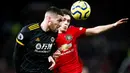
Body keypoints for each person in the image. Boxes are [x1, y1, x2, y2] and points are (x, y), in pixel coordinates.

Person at [52, 9, 128, 73]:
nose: (66, 23)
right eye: (64, 20)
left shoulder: (73, 30)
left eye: (68, 21)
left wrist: (114, 25)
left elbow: (94, 30)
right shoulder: (48, 36)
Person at [13, 6, 63, 73]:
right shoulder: (28, 31)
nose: (60, 24)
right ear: (49, 18)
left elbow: (52, 47)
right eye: (59, 20)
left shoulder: (54, 33)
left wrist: (51, 56)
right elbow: (17, 54)